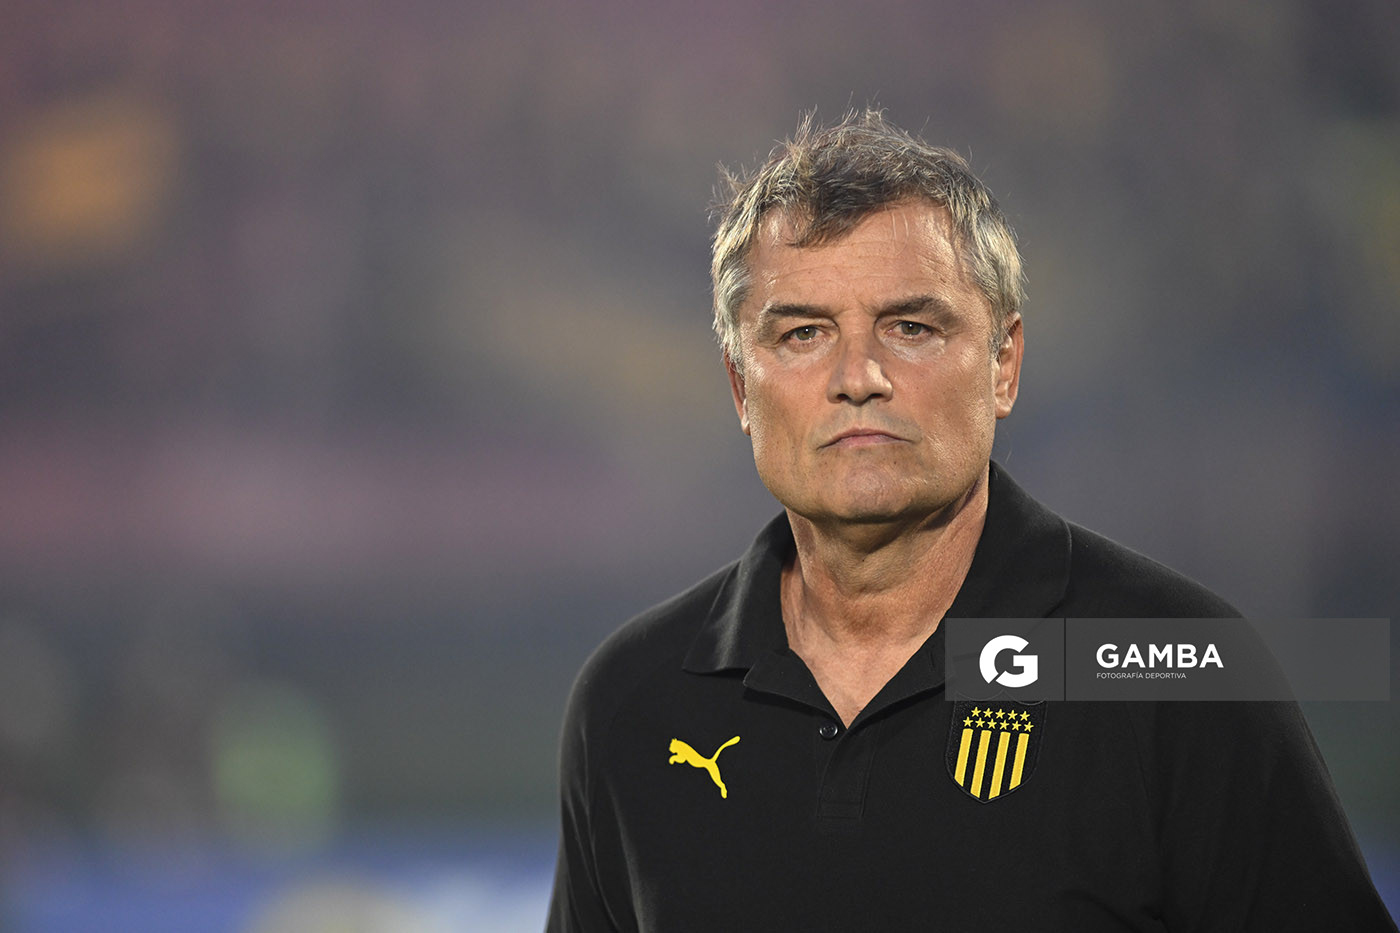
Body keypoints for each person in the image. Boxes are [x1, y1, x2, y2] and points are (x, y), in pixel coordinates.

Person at [545, 111, 1396, 932]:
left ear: (1003, 365)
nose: (859, 375)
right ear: (740, 387)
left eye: (910, 327)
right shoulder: (632, 702)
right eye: (803, 334)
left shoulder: (1177, 672)